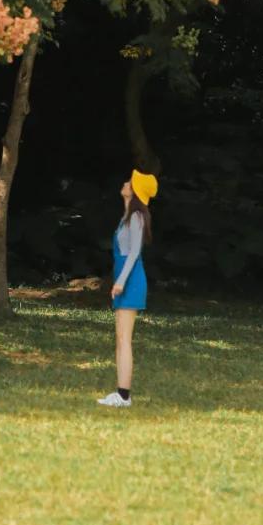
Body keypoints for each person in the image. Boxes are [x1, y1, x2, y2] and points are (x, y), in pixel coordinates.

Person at [97, 168, 157, 408]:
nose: (125, 183)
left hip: (131, 279)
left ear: (135, 191)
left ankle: (123, 395)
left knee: (124, 338)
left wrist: (121, 281)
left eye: (130, 182)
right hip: (126, 277)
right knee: (121, 339)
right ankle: (121, 393)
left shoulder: (136, 218)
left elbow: (133, 253)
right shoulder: (127, 217)